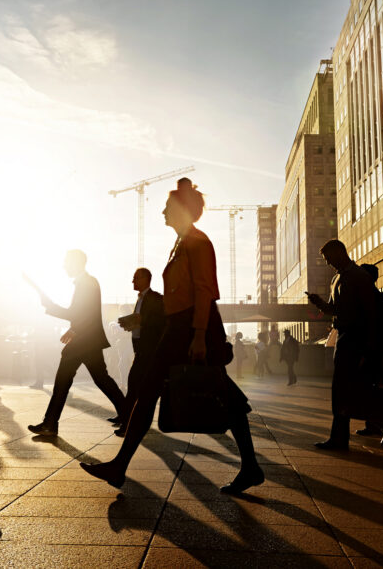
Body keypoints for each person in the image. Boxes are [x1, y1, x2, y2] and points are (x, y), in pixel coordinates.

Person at [81, 178, 263, 494]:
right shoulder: (182, 243)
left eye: (167, 206)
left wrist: (198, 336)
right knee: (155, 391)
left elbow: (204, 291)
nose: (163, 211)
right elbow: (177, 297)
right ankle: (120, 466)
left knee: (221, 396)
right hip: (178, 328)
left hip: (192, 328)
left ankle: (249, 466)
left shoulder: (197, 241)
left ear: (180, 208)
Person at [28, 250, 126, 436]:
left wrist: (50, 306)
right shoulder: (88, 282)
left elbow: (78, 313)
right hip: (87, 340)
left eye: (67, 262)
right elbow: (83, 314)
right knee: (101, 379)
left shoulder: (86, 283)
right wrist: (73, 328)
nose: (64, 266)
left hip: (84, 341)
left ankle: (50, 424)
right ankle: (128, 415)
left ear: (76, 263)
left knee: (64, 381)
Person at [307, 240, 379, 450]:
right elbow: (334, 309)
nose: (328, 263)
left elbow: (371, 313)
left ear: (340, 253)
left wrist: (370, 346)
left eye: (329, 258)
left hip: (355, 337)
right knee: (340, 389)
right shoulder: (337, 278)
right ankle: (339, 437)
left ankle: (340, 438)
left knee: (344, 389)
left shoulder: (359, 277)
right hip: (344, 336)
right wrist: (319, 303)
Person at [354, 263, 383, 445]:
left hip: (372, 350)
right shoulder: (373, 296)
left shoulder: (372, 298)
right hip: (374, 349)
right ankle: (373, 424)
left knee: (371, 388)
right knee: (371, 387)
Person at [116, 268, 164, 436]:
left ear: (145, 279)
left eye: (135, 278)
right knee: (139, 390)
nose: (132, 281)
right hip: (141, 350)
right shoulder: (141, 300)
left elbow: (160, 321)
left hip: (148, 352)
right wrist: (131, 323)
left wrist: (141, 321)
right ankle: (129, 424)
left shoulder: (155, 298)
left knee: (135, 388)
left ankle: (127, 425)